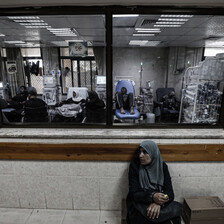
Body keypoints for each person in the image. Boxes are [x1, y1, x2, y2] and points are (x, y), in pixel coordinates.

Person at [126, 140, 181, 224]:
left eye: (145, 152)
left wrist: (160, 202)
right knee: (143, 218)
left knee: (173, 218)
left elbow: (169, 193)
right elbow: (134, 193)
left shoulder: (162, 167)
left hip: (159, 204)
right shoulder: (135, 166)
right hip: (141, 203)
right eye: (140, 152)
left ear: (153, 153)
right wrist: (152, 196)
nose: (140, 155)